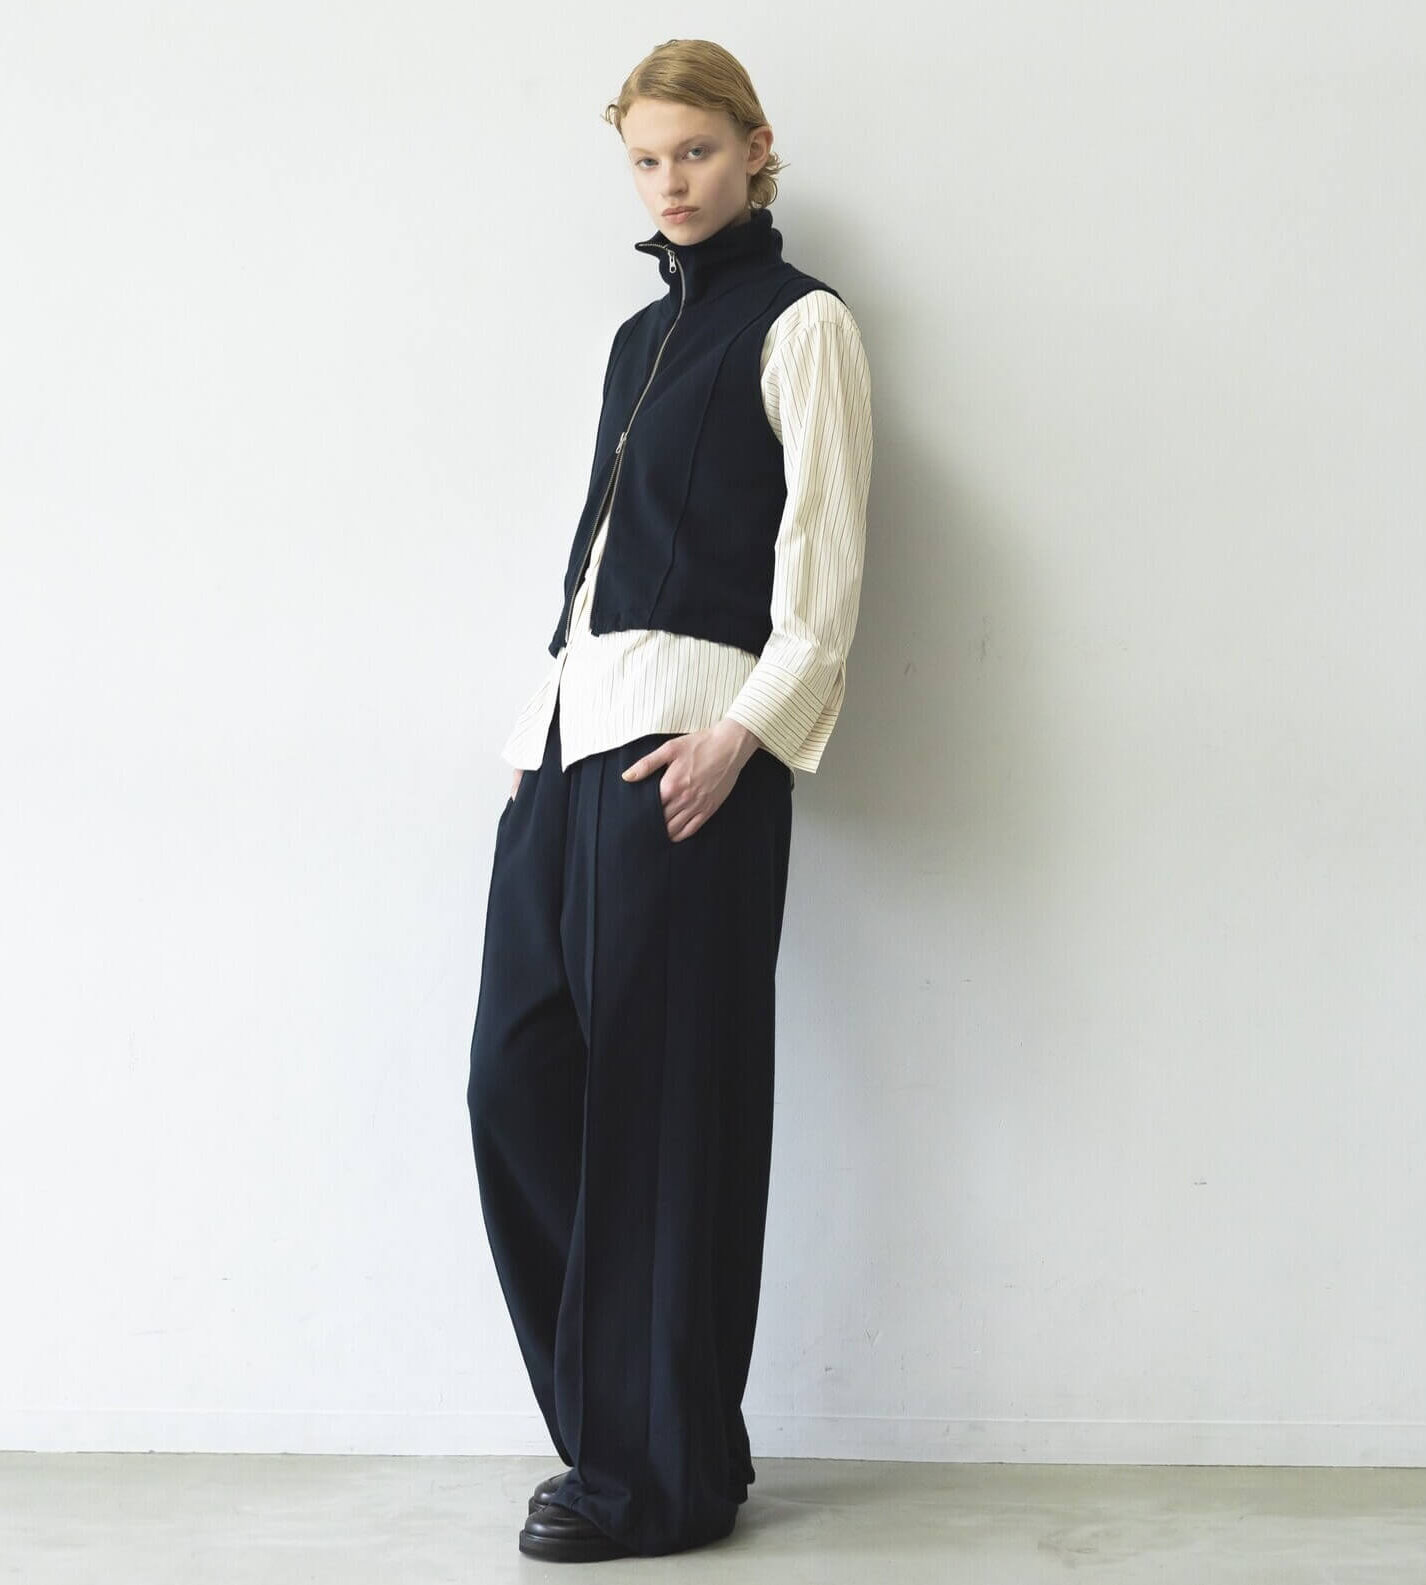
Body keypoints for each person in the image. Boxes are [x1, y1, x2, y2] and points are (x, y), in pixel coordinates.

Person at [466, 38, 873, 1563]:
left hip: (693, 756)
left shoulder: (805, 322)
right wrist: (534, 733)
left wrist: (743, 738)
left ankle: (645, 1480)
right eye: (645, 159)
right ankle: (656, 1432)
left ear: (756, 148)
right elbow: (595, 557)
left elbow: (825, 564)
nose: (670, 182)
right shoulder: (638, 338)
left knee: (659, 1109)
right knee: (515, 1080)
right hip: (571, 748)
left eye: (695, 151)